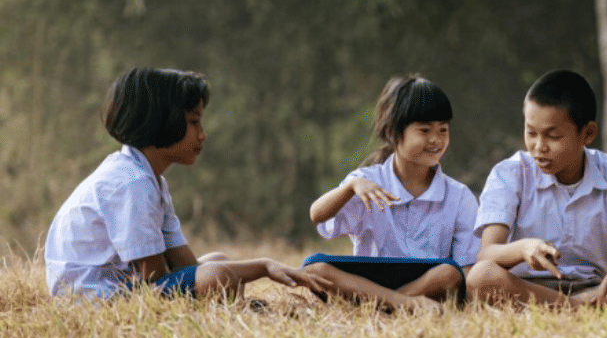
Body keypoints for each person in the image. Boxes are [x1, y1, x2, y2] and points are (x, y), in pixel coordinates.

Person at [44, 67, 330, 300]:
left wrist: (221, 275)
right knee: (216, 275)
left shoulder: (150, 179)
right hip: (92, 296)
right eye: (194, 122)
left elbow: (184, 266)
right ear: (161, 122)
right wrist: (264, 266)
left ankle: (232, 307)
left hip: (126, 286)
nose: (202, 135)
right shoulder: (131, 183)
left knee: (217, 261)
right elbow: (153, 278)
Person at [466, 69, 607, 307]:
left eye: (553, 136)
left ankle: (574, 305)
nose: (539, 147)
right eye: (531, 133)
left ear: (588, 133)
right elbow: (486, 254)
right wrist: (523, 249)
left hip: (597, 287)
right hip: (528, 288)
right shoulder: (509, 174)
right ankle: (577, 307)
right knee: (481, 276)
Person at [305, 75, 479, 311]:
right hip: (368, 283)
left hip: (426, 284)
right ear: (392, 133)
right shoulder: (364, 182)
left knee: (450, 273)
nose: (436, 140)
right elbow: (317, 215)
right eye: (425, 130)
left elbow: (465, 271)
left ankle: (380, 307)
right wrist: (350, 187)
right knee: (314, 269)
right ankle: (404, 304)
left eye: (443, 130)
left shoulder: (460, 196)